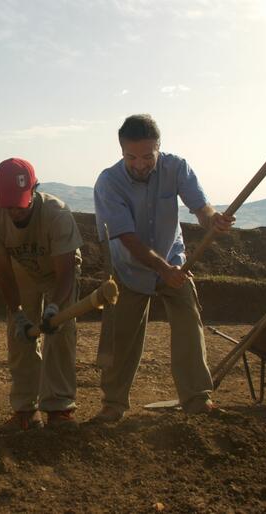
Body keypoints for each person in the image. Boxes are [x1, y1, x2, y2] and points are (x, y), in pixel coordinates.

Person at [92, 114, 235, 422]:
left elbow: (201, 206)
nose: (140, 163)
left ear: (159, 147)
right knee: (122, 337)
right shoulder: (108, 182)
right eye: (131, 157)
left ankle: (197, 399)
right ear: (121, 152)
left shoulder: (176, 167)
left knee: (188, 322)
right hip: (130, 266)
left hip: (175, 260)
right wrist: (162, 269)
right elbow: (127, 238)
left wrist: (213, 220)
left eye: (147, 156)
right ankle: (113, 405)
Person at [0, 158, 83, 432]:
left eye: (20, 203)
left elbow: (66, 272)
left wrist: (54, 308)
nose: (14, 210)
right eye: (8, 204)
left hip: (58, 272)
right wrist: (17, 313)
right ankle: (26, 411)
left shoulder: (57, 214)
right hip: (21, 269)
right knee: (19, 336)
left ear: (35, 189)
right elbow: (3, 271)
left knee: (59, 332)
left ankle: (59, 408)